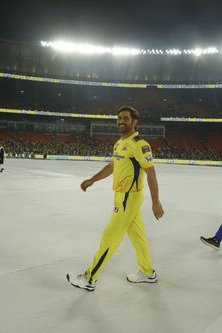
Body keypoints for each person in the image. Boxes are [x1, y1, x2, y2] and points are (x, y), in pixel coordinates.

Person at [67, 106, 165, 291]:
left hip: (129, 197)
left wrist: (155, 201)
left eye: (126, 118)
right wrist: (92, 180)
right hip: (121, 195)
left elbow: (150, 172)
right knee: (138, 237)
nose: (121, 121)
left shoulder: (139, 144)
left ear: (134, 122)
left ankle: (90, 278)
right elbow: (112, 166)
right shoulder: (119, 143)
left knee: (109, 237)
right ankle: (148, 272)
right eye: (119, 118)